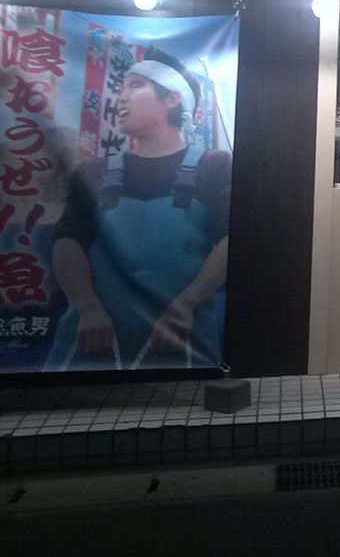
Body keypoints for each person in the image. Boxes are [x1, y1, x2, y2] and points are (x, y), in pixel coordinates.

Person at [44, 48, 232, 371]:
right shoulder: (92, 172)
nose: (121, 97)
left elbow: (232, 240)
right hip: (90, 338)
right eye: (121, 88)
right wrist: (88, 307)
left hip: (181, 337)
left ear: (172, 98)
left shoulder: (214, 165)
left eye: (135, 86)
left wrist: (186, 304)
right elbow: (67, 240)